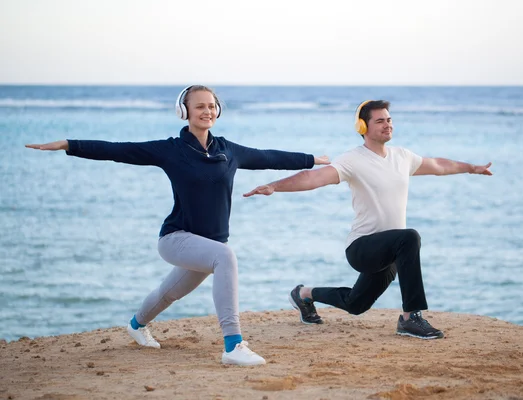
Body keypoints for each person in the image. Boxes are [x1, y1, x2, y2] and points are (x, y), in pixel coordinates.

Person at [25, 85, 330, 366]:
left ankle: (136, 326)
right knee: (226, 257)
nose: (207, 111)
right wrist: (69, 144)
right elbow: (118, 150)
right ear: (184, 111)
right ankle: (233, 346)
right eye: (200, 106)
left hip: (207, 244)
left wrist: (312, 159)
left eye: (212, 106)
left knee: (169, 293)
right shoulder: (171, 150)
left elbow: (268, 156)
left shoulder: (228, 150)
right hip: (177, 238)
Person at [244, 99, 492, 339]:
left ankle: (304, 294)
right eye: (380, 121)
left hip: (391, 253)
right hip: (362, 247)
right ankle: (410, 318)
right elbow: (312, 178)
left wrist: (472, 167)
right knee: (410, 237)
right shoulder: (353, 160)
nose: (388, 125)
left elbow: (438, 165)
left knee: (356, 304)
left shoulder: (402, 157)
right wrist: (275, 186)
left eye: (389, 120)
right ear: (363, 127)